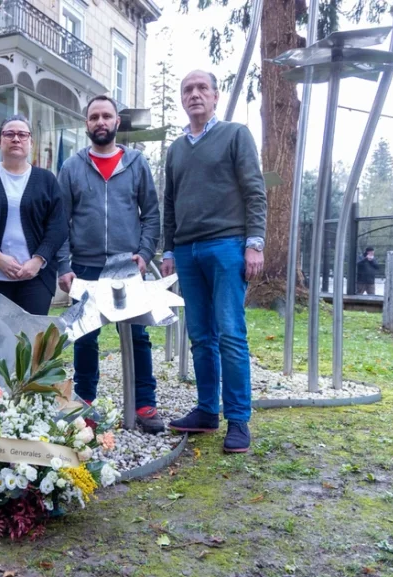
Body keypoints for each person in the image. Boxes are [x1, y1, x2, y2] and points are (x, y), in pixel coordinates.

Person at [161, 70, 267, 453]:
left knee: (230, 334)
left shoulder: (235, 135)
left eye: (202, 88)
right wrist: (169, 249)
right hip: (187, 252)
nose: (194, 94)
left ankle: (238, 420)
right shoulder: (176, 148)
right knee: (200, 336)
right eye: (187, 89)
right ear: (182, 98)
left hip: (227, 246)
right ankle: (207, 411)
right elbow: (169, 204)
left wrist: (254, 244)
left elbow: (255, 191)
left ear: (216, 96)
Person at [56, 95, 163, 434]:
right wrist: (63, 265)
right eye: (94, 117)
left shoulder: (136, 163)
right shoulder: (72, 166)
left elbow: (152, 215)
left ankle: (144, 403)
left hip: (125, 267)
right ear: (86, 124)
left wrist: (144, 254)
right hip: (84, 268)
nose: (100, 122)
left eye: (106, 116)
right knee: (85, 336)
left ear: (117, 122)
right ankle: (86, 403)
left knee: (137, 336)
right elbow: (60, 221)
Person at [0, 114, 68, 315]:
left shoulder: (46, 180)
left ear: (31, 142)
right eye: (9, 134)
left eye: (22, 134)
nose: (16, 139)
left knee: (31, 340)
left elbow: (58, 226)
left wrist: (38, 260)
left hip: (36, 278)